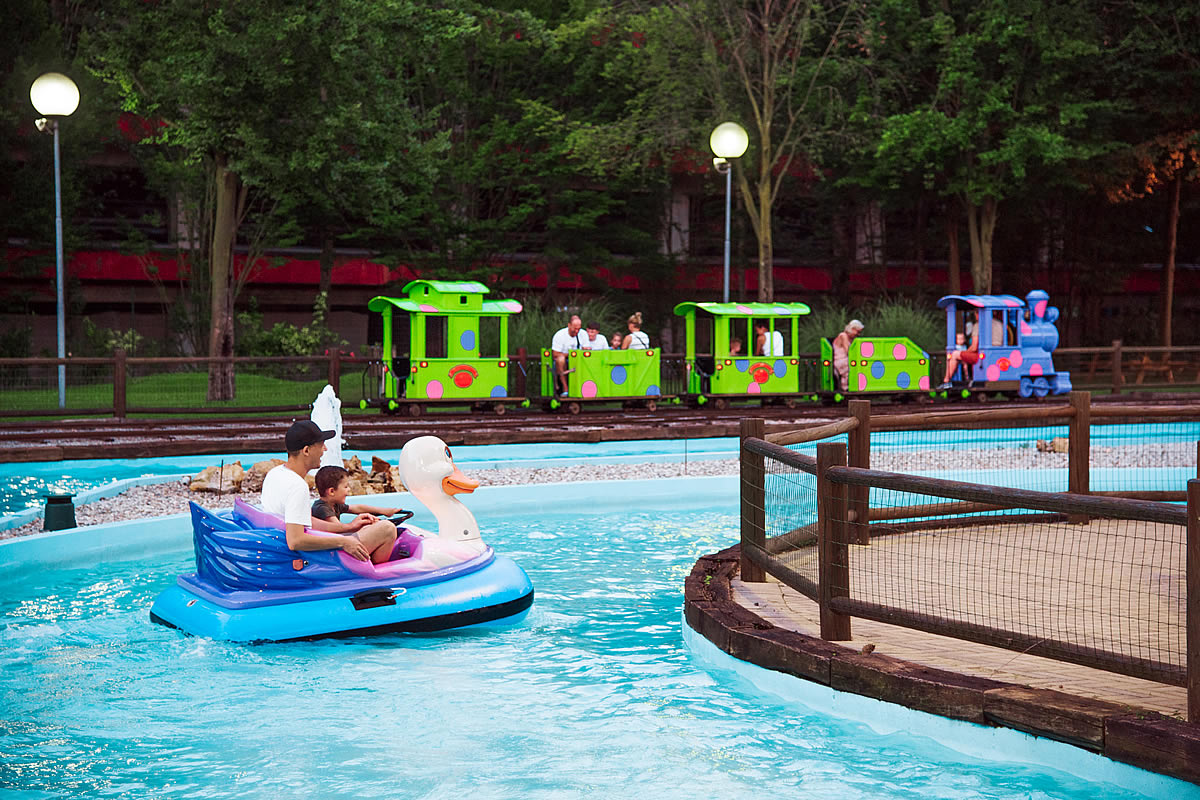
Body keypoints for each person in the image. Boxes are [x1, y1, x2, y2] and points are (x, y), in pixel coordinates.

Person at [261, 420, 397, 564]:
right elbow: (295, 541)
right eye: (321, 445)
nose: (325, 449)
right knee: (387, 528)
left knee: (370, 528)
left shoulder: (275, 474)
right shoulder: (297, 486)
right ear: (306, 451)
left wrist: (348, 527)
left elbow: (298, 520)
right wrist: (343, 542)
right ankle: (372, 574)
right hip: (313, 558)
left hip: (281, 549)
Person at [312, 465, 404, 526]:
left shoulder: (334, 504)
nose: (348, 489)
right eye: (346, 487)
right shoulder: (322, 508)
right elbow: (339, 529)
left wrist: (385, 511)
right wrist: (362, 524)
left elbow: (358, 508)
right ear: (332, 491)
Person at [937, 314, 980, 390]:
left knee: (955, 355)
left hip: (978, 355)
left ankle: (946, 380)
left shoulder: (978, 325)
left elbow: (974, 347)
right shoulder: (999, 324)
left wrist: (966, 352)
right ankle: (967, 378)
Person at [550, 314, 584, 395]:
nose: (576, 331)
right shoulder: (560, 335)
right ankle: (565, 388)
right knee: (561, 359)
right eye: (574, 329)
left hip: (579, 359)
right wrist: (571, 355)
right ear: (569, 325)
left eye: (578, 329)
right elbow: (555, 354)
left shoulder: (583, 334)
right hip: (564, 360)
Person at [831, 319, 865, 392]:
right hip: (840, 360)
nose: (858, 334)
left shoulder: (851, 338)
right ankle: (847, 388)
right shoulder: (843, 336)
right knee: (853, 366)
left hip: (846, 359)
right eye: (857, 332)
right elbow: (848, 351)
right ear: (852, 329)